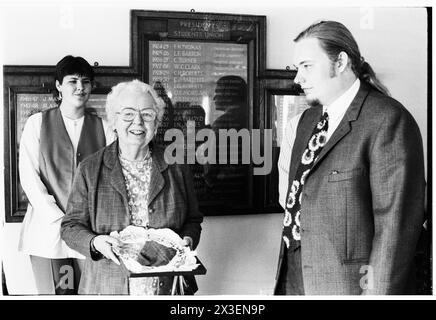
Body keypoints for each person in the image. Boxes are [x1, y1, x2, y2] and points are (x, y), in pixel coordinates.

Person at [275, 21, 425, 295]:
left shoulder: (387, 119)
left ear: (340, 62)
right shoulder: (307, 122)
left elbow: (395, 227)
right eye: (296, 68)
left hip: (348, 287)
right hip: (294, 277)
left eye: (307, 66)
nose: (298, 79)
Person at [60, 80, 203, 295]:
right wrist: (95, 242)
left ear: (156, 123)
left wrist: (188, 240)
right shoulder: (89, 169)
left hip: (169, 285)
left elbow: (193, 220)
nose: (138, 122)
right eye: (128, 114)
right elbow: (70, 227)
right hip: (108, 285)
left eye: (147, 114)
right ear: (113, 120)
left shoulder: (177, 166)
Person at [18, 55, 111, 294]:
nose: (80, 87)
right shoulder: (37, 123)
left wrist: (83, 226)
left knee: (89, 293)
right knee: (55, 293)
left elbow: (112, 179)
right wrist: (59, 218)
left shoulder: (105, 127)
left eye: (86, 81)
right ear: (59, 85)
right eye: (73, 81)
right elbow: (29, 178)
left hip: (89, 231)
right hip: (47, 229)